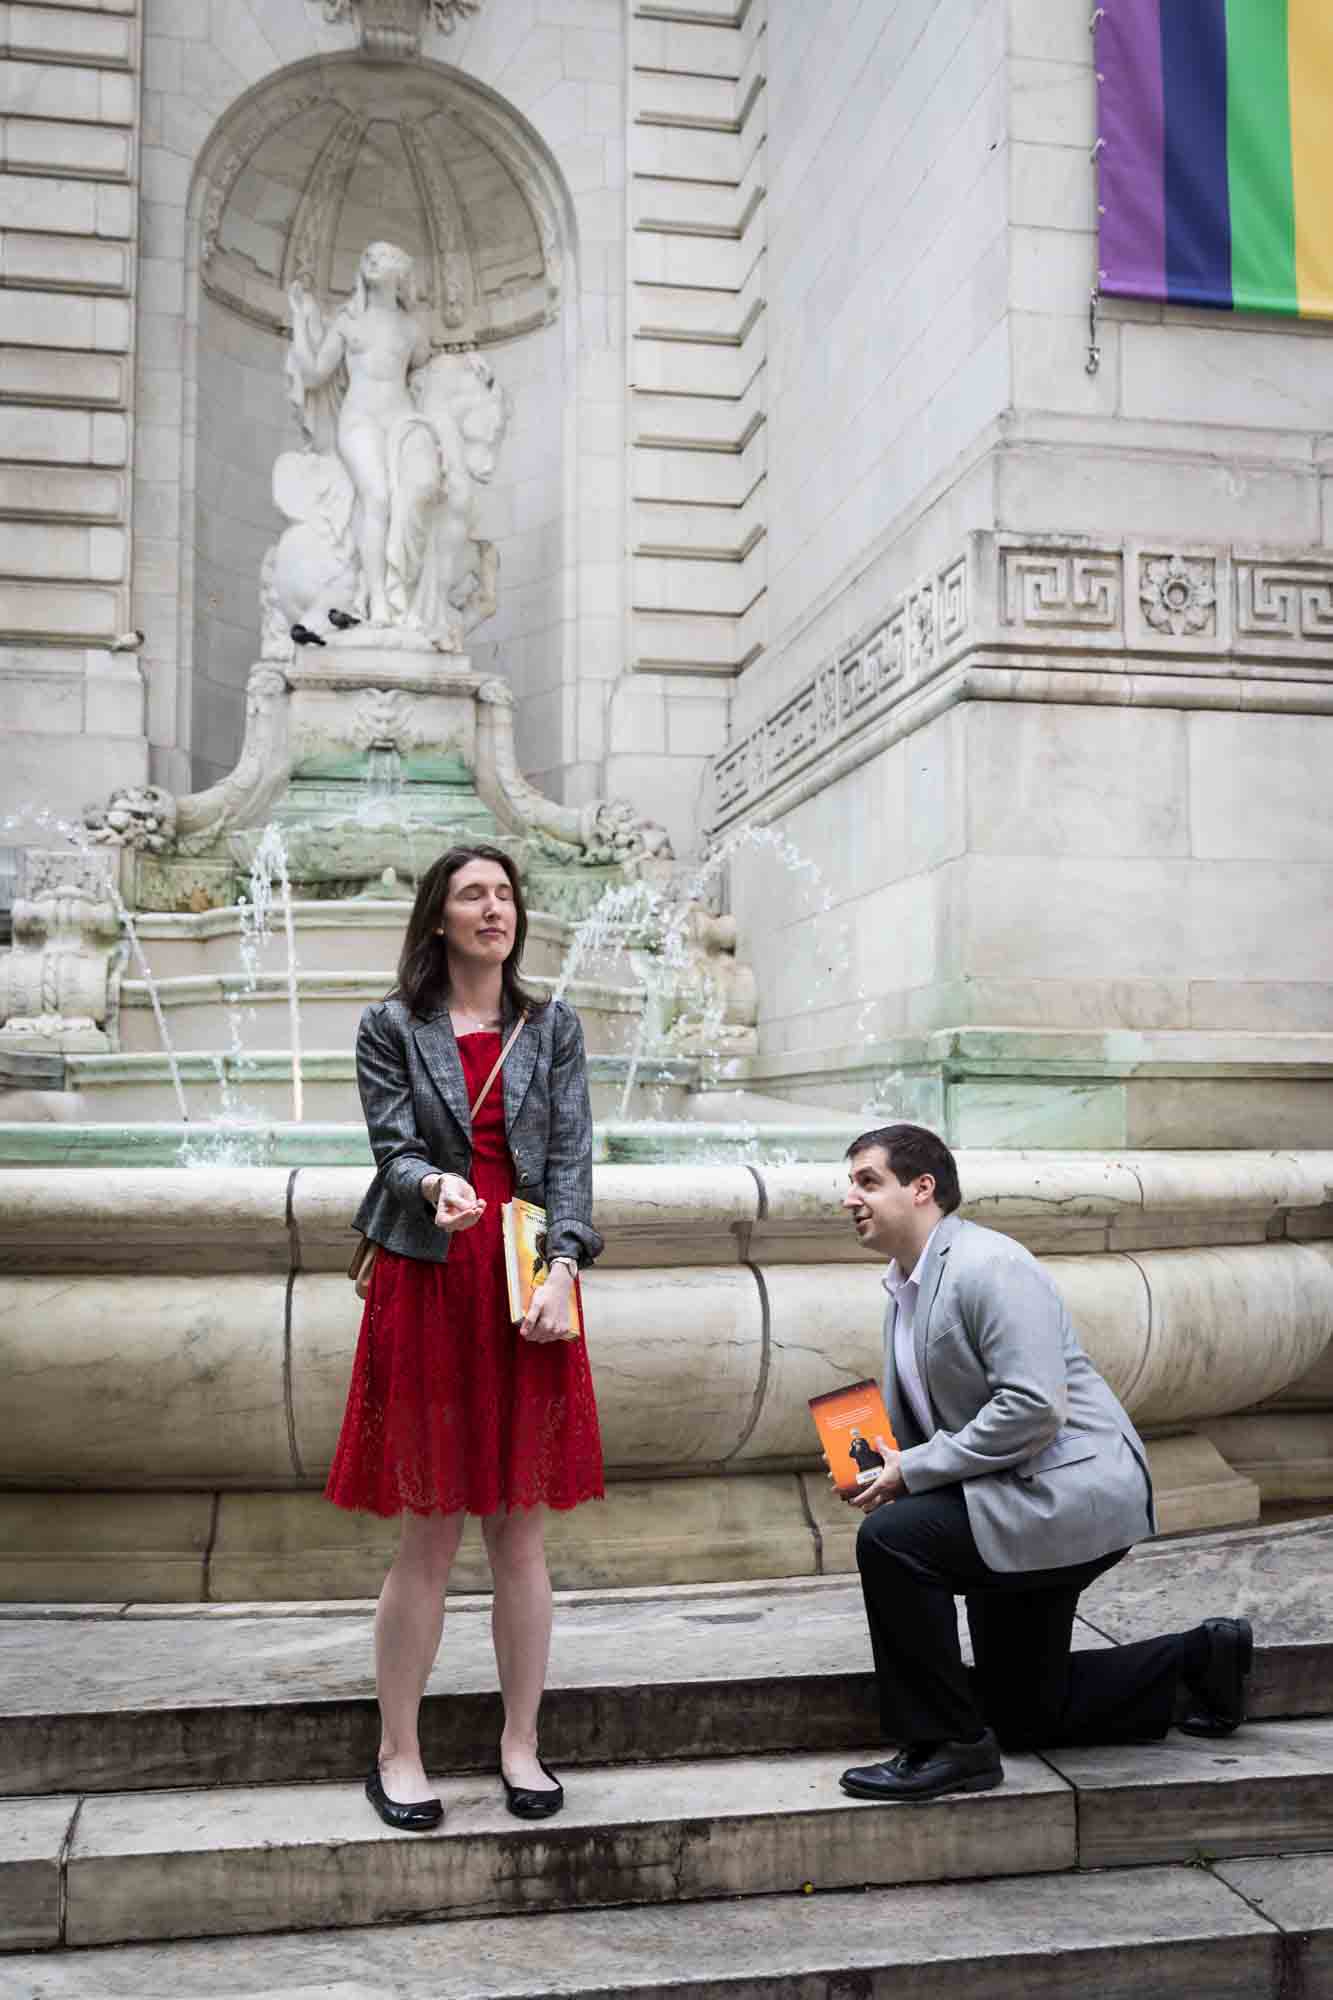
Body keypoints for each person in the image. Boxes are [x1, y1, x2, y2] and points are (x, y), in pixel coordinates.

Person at [836, 1123, 1253, 1804]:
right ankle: (1199, 1659)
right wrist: (885, 1462)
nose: (848, 1197)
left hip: (1067, 1492)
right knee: (1026, 1711)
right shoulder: (906, 1288)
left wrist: (912, 1473)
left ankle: (947, 1745)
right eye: (849, 1182)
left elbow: (1032, 1407)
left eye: (866, 1181)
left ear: (922, 1189)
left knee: (894, 1541)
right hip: (1012, 1493)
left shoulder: (987, 1265)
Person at [325, 842, 604, 1832]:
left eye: (504, 893)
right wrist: (433, 1183)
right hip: (433, 1275)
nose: (495, 908)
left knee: (521, 1529)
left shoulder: (552, 1024)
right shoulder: (390, 1024)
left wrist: (566, 1266)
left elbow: (570, 1159)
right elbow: (393, 1145)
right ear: (438, 917)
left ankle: (519, 1740)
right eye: (473, 894)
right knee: (431, 1529)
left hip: (525, 1276)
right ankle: (397, 1747)